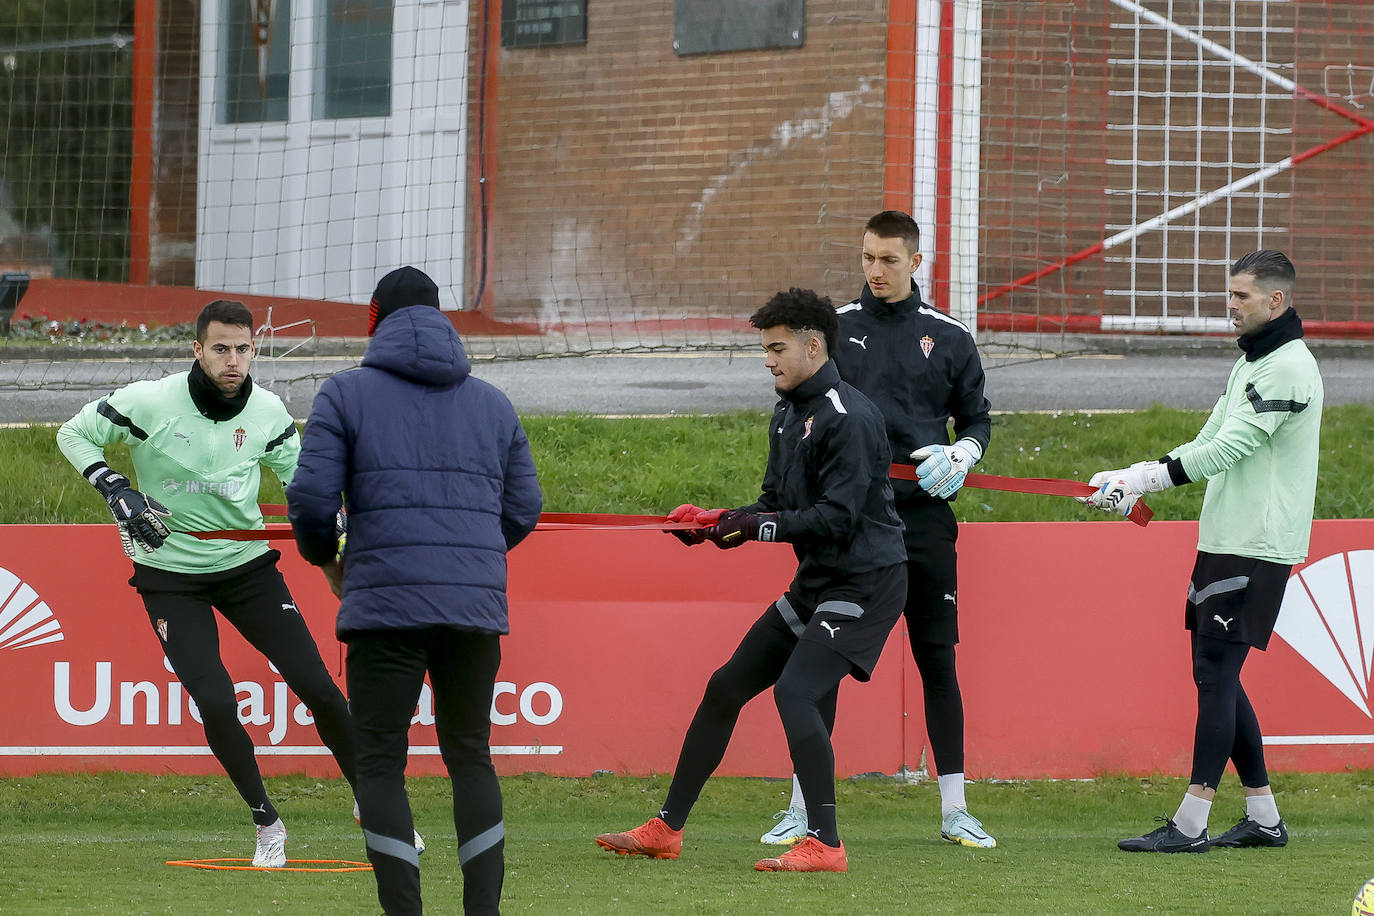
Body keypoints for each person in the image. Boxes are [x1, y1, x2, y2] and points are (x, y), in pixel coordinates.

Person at [594, 288, 908, 873]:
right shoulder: (787, 412)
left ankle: (827, 844)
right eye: (765, 348)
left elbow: (837, 520)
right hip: (819, 580)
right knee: (725, 686)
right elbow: (772, 505)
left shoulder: (850, 417)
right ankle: (667, 828)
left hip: (866, 581)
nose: (767, 359)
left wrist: (751, 525)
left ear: (813, 346)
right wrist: (714, 526)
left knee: (795, 691)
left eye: (776, 348)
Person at [55, 299, 359, 868]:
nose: (234, 360)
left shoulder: (268, 410)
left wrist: (332, 519)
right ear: (197, 350)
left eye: (244, 349)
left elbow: (301, 481)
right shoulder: (150, 400)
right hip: (170, 577)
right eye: (220, 348)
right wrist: (117, 490)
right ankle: (267, 822)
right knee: (217, 702)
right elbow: (74, 434)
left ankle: (376, 804)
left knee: (318, 686)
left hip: (247, 569)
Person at [286, 266, 542, 915]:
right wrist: (470, 558)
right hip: (473, 610)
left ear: (374, 320)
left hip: (383, 608)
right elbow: (525, 507)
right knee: (470, 756)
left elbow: (312, 503)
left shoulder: (344, 393)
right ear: (443, 320)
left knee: (378, 764)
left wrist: (332, 563)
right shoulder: (493, 403)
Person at [758, 210, 996, 850]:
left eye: (889, 260)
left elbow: (977, 419)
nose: (876, 271)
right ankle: (803, 809)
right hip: (851, 527)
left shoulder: (948, 337)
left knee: (936, 660)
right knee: (819, 663)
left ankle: (955, 810)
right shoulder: (835, 332)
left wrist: (964, 453)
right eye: (867, 257)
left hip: (922, 520)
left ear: (916, 263)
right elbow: (803, 408)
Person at [1084, 250, 1322, 853]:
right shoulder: (1255, 363)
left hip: (1257, 543)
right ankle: (1264, 818)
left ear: (1276, 301)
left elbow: (1227, 451)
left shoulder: (1288, 368)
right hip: (1228, 539)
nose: (1231, 305)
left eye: (1242, 295)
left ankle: (1191, 823)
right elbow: (1208, 438)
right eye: (1231, 293)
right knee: (1216, 672)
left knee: (1216, 673)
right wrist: (1134, 472)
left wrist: (1147, 481)